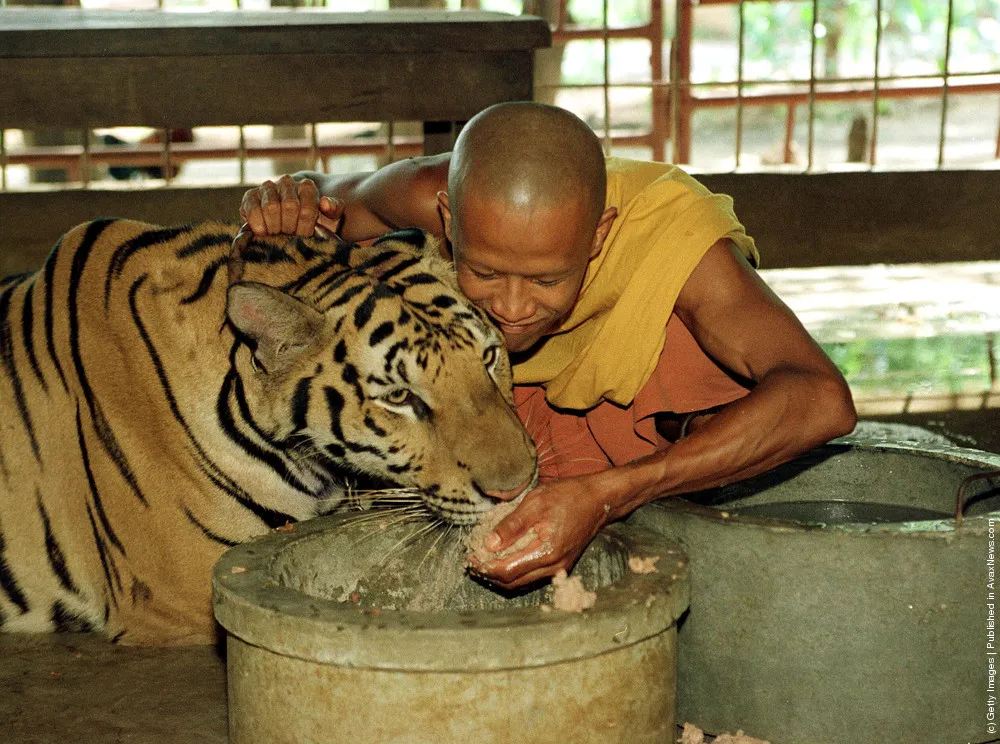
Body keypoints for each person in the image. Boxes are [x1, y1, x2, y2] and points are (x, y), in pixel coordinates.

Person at [239, 102, 857, 590]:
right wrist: (285, 204)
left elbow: (822, 399)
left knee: (699, 365)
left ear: (598, 235)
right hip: (468, 408)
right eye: (484, 271)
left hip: (605, 428)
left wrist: (607, 495)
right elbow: (325, 194)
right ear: (448, 219)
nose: (510, 308)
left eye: (546, 280)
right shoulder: (421, 189)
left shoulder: (680, 240)